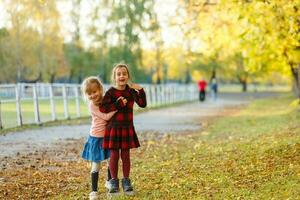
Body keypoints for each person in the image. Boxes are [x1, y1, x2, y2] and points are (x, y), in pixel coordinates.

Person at [100, 63, 147, 195]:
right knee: (114, 155)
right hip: (113, 128)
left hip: (127, 127)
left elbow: (143, 104)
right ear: (114, 77)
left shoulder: (131, 92)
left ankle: (126, 181)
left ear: (128, 76)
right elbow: (103, 108)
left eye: (124, 74)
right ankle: (114, 181)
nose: (122, 76)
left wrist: (141, 90)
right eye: (119, 74)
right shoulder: (110, 92)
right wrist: (117, 104)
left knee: (125, 155)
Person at [81, 76, 127, 200]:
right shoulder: (92, 105)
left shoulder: (106, 99)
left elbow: (113, 102)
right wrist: (117, 107)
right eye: (89, 93)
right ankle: (94, 191)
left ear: (100, 89)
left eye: (94, 92)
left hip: (107, 137)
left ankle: (109, 183)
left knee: (110, 160)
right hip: (96, 138)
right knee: (96, 165)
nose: (92, 95)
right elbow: (106, 117)